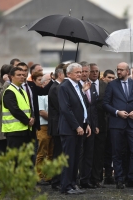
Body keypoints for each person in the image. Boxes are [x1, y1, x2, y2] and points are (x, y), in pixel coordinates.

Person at [103, 62, 133, 189]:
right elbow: (105, 103)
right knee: (117, 152)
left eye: (121, 70)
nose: (118, 72)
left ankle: (131, 178)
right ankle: (119, 179)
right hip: (117, 124)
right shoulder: (111, 85)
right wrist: (117, 112)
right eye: (117, 70)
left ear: (128, 71)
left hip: (132, 124)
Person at [58, 63, 90, 194]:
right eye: (77, 72)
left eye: (81, 72)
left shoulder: (78, 86)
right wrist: (76, 126)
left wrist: (86, 123)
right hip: (69, 129)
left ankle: (72, 183)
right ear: (68, 74)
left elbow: (82, 105)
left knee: (76, 158)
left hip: (80, 127)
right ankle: (65, 186)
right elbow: (66, 109)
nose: (80, 74)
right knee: (68, 158)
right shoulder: (64, 87)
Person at [2, 67, 34, 149]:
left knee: (25, 159)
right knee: (15, 159)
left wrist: (32, 117)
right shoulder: (9, 91)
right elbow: (15, 110)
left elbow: (28, 107)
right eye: (19, 75)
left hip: (25, 130)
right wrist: (27, 121)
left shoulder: (22, 91)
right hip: (14, 132)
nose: (22, 77)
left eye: (23, 75)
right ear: (12, 77)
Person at [77, 62, 97, 189]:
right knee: (79, 154)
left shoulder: (92, 85)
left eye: (86, 71)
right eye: (82, 71)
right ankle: (76, 179)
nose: (84, 74)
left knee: (89, 153)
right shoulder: (75, 86)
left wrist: (94, 124)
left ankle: (86, 179)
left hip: (90, 124)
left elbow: (93, 107)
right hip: (78, 125)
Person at [89, 63, 108, 188]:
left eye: (97, 71)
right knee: (89, 152)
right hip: (89, 123)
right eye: (93, 71)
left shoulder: (104, 86)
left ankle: (97, 178)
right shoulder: (84, 85)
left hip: (102, 123)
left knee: (100, 153)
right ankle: (87, 177)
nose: (95, 73)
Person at [48, 64, 65, 190]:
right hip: (57, 125)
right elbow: (61, 106)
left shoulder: (59, 87)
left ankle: (60, 178)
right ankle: (56, 180)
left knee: (60, 153)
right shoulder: (56, 88)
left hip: (60, 125)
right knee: (57, 153)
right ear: (60, 75)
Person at [0, 64, 14, 157]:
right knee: (0, 153)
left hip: (9, 125)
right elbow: (1, 98)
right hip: (0, 123)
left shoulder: (12, 84)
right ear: (6, 75)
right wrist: (7, 82)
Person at [35, 74, 54, 185]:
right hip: (43, 126)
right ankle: (39, 175)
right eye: (49, 80)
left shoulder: (50, 95)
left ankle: (48, 175)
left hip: (51, 126)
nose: (50, 82)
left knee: (51, 153)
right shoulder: (40, 96)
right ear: (43, 83)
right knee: (42, 152)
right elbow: (41, 112)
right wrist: (53, 119)